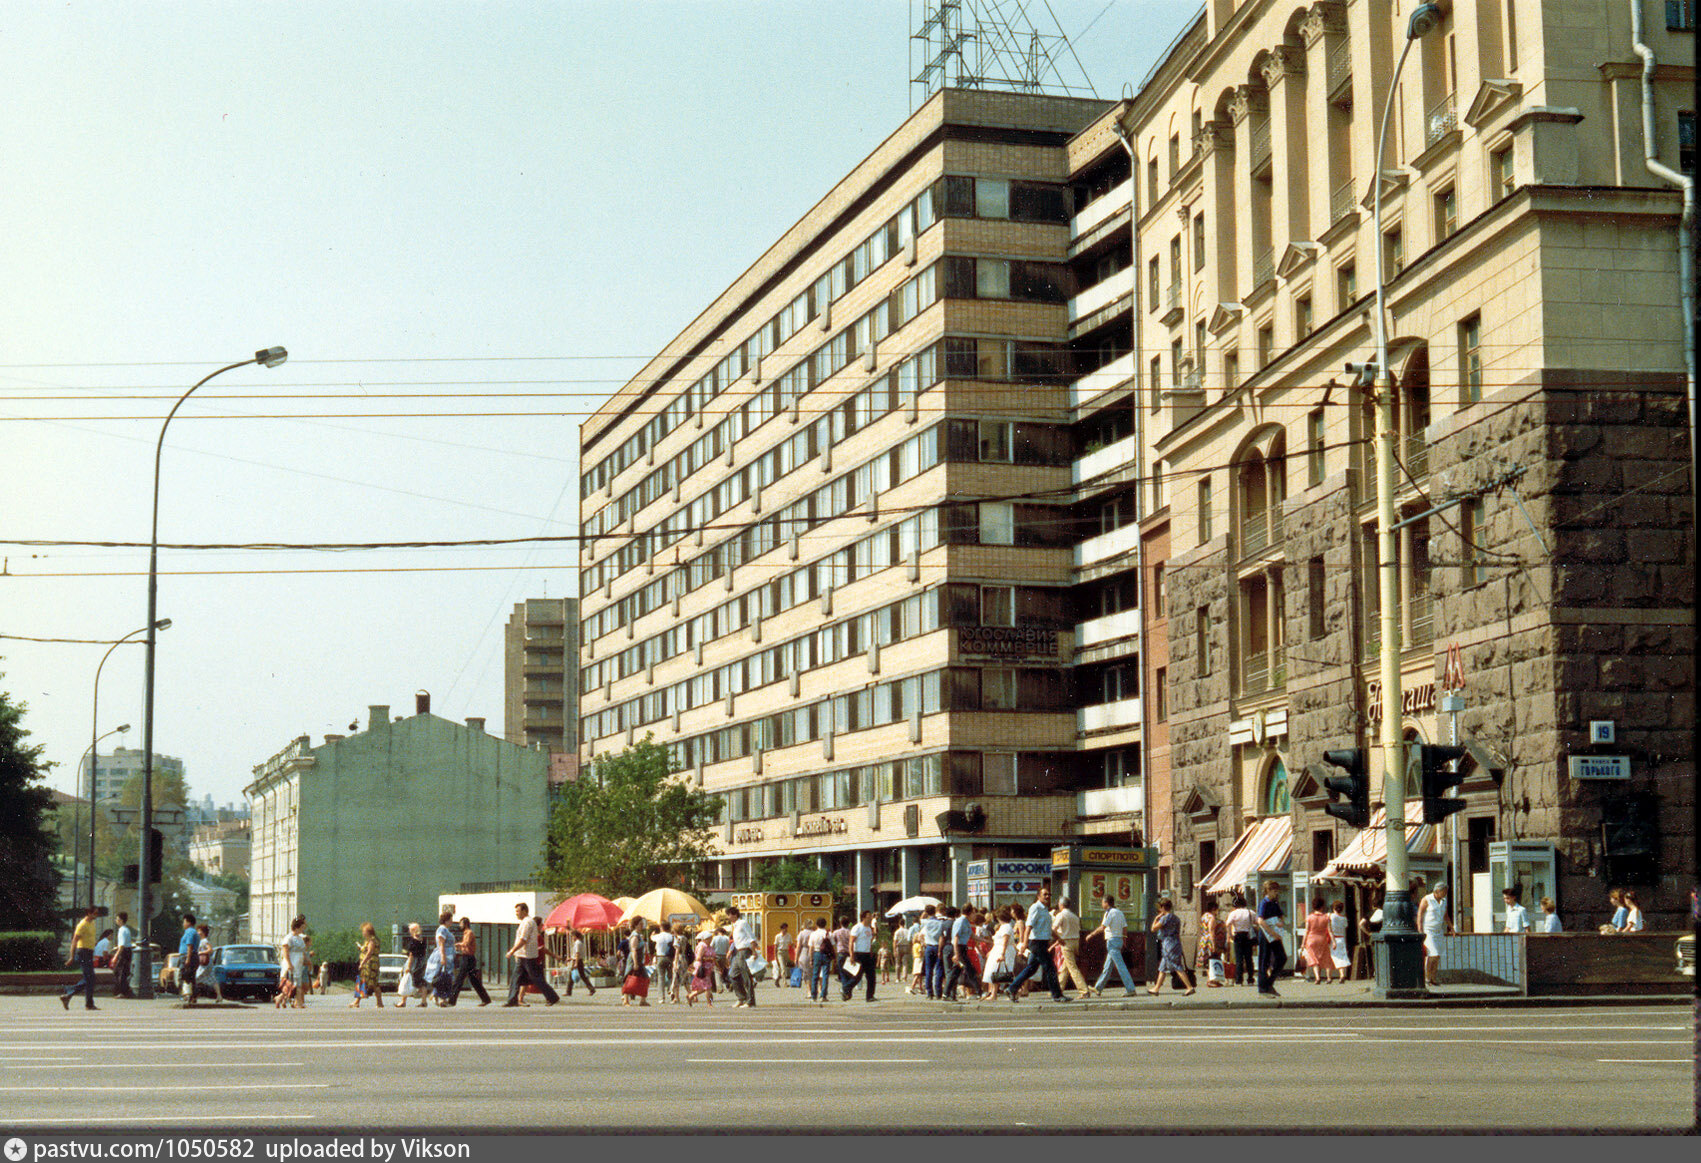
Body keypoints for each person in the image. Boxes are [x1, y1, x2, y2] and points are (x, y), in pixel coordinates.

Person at [1007, 885, 1067, 1003]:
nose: (1047, 896)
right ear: (1038, 896)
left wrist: (1058, 938)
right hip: (1037, 942)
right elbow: (1028, 927)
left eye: (1048, 894)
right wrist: (1024, 943)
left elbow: (1048, 928)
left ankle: (1012, 988)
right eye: (1044, 894)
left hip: (1043, 942)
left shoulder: (1045, 909)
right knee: (1050, 968)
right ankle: (1057, 995)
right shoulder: (1035, 908)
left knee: (1031, 969)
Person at [503, 901, 559, 1007]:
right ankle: (512, 999)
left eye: (518, 911)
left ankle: (552, 997)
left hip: (527, 956)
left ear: (524, 911)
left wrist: (512, 951)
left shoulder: (527, 922)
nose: (516, 913)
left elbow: (523, 939)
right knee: (516, 978)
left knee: (535, 978)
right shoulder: (525, 922)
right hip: (523, 955)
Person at [1088, 894, 1137, 996]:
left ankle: (1131, 989)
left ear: (1106, 903)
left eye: (1102, 902)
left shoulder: (1109, 913)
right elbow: (1124, 928)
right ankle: (1098, 988)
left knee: (1120, 966)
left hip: (1112, 941)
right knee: (1107, 967)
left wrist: (1091, 934)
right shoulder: (1120, 913)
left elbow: (1103, 927)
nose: (1102, 904)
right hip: (1118, 940)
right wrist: (1124, 940)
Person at [1147, 897, 1195, 995]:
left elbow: (1153, 929)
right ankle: (1156, 988)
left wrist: (1156, 919)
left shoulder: (1165, 918)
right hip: (1176, 943)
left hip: (1168, 944)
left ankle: (1189, 987)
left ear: (1163, 907)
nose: (1159, 910)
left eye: (1160, 907)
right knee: (1163, 968)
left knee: (1177, 966)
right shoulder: (1176, 918)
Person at [1051, 895, 1095, 998]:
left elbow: (1052, 929)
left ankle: (1084, 990)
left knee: (1072, 968)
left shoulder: (1061, 915)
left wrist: (1058, 938)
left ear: (1061, 905)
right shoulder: (1074, 916)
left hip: (1066, 942)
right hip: (1076, 941)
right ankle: (1058, 989)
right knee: (1065, 967)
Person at [60, 905, 100, 1011]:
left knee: (90, 978)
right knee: (90, 978)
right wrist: (71, 957)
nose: (96, 915)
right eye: (95, 913)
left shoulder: (92, 923)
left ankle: (70, 995)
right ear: (89, 913)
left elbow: (90, 937)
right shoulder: (82, 925)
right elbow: (74, 941)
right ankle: (86, 1003)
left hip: (89, 952)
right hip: (82, 952)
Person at [1415, 880, 1452, 986]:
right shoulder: (1427, 899)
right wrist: (1420, 928)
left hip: (1438, 931)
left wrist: (1451, 928)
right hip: (1428, 931)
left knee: (1438, 956)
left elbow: (1445, 916)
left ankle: (1433, 978)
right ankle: (1427, 978)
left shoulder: (1443, 901)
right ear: (1437, 891)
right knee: (1433, 954)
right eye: (1444, 891)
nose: (1445, 894)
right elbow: (1420, 914)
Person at [1254, 881, 1287, 997]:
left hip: (1274, 934)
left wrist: (1280, 922)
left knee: (1282, 957)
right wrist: (1272, 932)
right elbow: (1260, 920)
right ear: (1268, 890)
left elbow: (1280, 915)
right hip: (1266, 934)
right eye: (1274, 890)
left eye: (1277, 891)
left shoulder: (1275, 902)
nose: (1276, 893)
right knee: (1264, 960)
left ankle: (1269, 982)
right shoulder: (1264, 902)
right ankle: (1263, 988)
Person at [449, 917, 491, 1006]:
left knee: (459, 979)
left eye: (461, 924)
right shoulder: (465, 933)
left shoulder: (469, 933)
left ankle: (451, 1001)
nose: (460, 926)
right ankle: (486, 999)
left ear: (465, 924)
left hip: (468, 959)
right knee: (474, 980)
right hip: (467, 958)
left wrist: (457, 944)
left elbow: (466, 943)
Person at [940, 906, 975, 1002]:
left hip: (948, 947)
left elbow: (941, 938)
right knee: (957, 971)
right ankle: (952, 994)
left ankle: (947, 993)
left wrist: (940, 950)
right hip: (957, 948)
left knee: (950, 971)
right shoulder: (958, 922)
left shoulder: (944, 924)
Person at [728, 905, 758, 1008]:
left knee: (746, 976)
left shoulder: (743, 923)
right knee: (733, 974)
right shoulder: (735, 926)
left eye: (729, 915)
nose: (728, 917)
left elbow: (751, 937)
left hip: (745, 951)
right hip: (737, 952)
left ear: (735, 915)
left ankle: (750, 1001)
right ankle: (741, 997)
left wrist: (754, 951)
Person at [350, 922, 383, 1008]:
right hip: (372, 964)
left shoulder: (371, 940)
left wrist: (362, 963)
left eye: (364, 931)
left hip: (369, 964)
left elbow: (369, 953)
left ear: (368, 931)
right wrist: (361, 948)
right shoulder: (372, 940)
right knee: (374, 983)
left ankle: (357, 1002)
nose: (363, 933)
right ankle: (379, 1003)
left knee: (362, 981)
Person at [1226, 893, 1257, 987]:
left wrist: (1230, 934)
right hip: (1248, 935)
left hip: (1238, 936)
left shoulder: (1233, 913)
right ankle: (1250, 978)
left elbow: (1227, 924)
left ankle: (1239, 980)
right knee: (1248, 958)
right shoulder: (1250, 912)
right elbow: (1256, 923)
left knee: (1239, 958)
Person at [395, 921, 427, 1008]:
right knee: (421, 981)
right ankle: (424, 1001)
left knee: (405, 979)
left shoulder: (413, 941)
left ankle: (403, 1001)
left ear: (412, 930)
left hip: (414, 963)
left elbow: (411, 955)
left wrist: (408, 967)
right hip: (421, 962)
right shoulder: (423, 940)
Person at [918, 904, 946, 999]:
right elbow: (942, 936)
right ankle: (938, 992)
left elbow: (921, 918)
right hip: (937, 945)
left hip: (928, 946)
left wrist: (925, 912)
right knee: (938, 970)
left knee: (928, 970)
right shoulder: (940, 923)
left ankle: (929, 993)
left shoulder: (925, 922)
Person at [281, 915, 309, 1009]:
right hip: (292, 963)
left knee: (294, 984)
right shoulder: (289, 938)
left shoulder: (300, 938)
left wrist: (306, 961)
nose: (303, 929)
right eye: (302, 927)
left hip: (298, 964)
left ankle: (280, 999)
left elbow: (303, 951)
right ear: (297, 927)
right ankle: (299, 1003)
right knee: (295, 984)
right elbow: (285, 951)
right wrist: (289, 964)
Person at [621, 918, 651, 1007]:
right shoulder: (634, 936)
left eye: (642, 924)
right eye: (640, 924)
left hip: (639, 960)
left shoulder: (638, 935)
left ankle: (643, 1000)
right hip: (634, 960)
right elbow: (633, 950)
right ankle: (626, 1000)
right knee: (629, 978)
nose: (642, 925)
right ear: (635, 925)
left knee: (645, 978)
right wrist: (635, 963)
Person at [1302, 898, 1332, 984]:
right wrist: (1333, 941)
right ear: (1322, 906)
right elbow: (1330, 930)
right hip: (1322, 939)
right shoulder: (1326, 917)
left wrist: (1303, 943)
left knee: (1314, 959)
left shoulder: (1309, 917)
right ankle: (1329, 978)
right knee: (1326, 957)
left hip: (1311, 939)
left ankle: (1317, 977)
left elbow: (1306, 931)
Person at [849, 910, 877, 1002]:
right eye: (869, 916)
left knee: (871, 976)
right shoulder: (857, 927)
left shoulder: (869, 928)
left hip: (867, 954)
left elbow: (869, 941)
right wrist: (852, 955)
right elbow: (851, 942)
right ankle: (846, 989)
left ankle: (870, 996)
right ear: (864, 917)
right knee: (857, 976)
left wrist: (871, 951)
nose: (870, 918)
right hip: (859, 954)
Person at [1196, 897, 1224, 988]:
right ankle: (1211, 980)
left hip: (1203, 939)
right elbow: (1211, 932)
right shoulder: (1212, 918)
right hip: (1209, 940)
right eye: (1217, 910)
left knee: (1207, 960)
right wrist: (1213, 944)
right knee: (1212, 959)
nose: (1217, 912)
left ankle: (1212, 979)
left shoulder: (1204, 916)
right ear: (1214, 909)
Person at [687, 928, 716, 1006]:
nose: (710, 940)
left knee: (705, 987)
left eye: (711, 938)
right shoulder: (702, 946)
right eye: (709, 939)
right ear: (705, 939)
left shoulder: (709, 946)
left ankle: (691, 995)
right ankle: (709, 1003)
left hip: (708, 968)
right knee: (707, 987)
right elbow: (698, 957)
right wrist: (709, 959)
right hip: (703, 968)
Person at [177, 913, 201, 1006]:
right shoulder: (192, 932)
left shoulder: (190, 932)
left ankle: (186, 995)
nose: (183, 924)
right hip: (192, 956)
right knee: (191, 977)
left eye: (184, 922)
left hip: (188, 956)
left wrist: (187, 958)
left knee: (183, 975)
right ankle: (193, 996)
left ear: (188, 922)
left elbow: (189, 945)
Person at [807, 919, 833, 1002]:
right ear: (825, 924)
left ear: (817, 924)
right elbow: (833, 946)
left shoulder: (813, 934)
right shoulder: (829, 934)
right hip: (826, 955)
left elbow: (811, 947)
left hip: (817, 953)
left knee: (815, 975)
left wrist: (811, 959)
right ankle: (823, 995)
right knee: (825, 975)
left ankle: (813, 995)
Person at [111, 911, 135, 999]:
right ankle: (125, 990)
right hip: (128, 951)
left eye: (117, 919)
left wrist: (115, 956)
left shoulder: (121, 930)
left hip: (124, 952)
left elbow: (122, 946)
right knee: (123, 971)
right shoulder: (127, 929)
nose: (116, 921)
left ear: (121, 920)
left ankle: (122, 992)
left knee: (119, 972)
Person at [830, 914, 853, 1000]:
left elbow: (833, 942)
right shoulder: (850, 932)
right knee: (849, 973)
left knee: (842, 973)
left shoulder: (836, 932)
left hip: (840, 954)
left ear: (840, 923)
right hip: (849, 954)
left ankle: (845, 991)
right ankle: (848, 991)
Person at [1328, 901, 1350, 982]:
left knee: (1331, 958)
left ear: (1333, 908)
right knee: (1341, 957)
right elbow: (1345, 926)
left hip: (1333, 938)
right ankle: (1342, 975)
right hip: (1341, 938)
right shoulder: (1344, 918)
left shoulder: (1331, 916)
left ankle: (1329, 977)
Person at [772, 922, 792, 990]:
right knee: (783, 968)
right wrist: (775, 956)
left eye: (786, 928)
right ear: (781, 929)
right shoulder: (778, 936)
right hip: (780, 953)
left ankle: (777, 979)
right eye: (784, 928)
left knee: (785, 968)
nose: (786, 930)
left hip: (786, 952)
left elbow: (791, 944)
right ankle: (785, 983)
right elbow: (775, 946)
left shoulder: (789, 935)